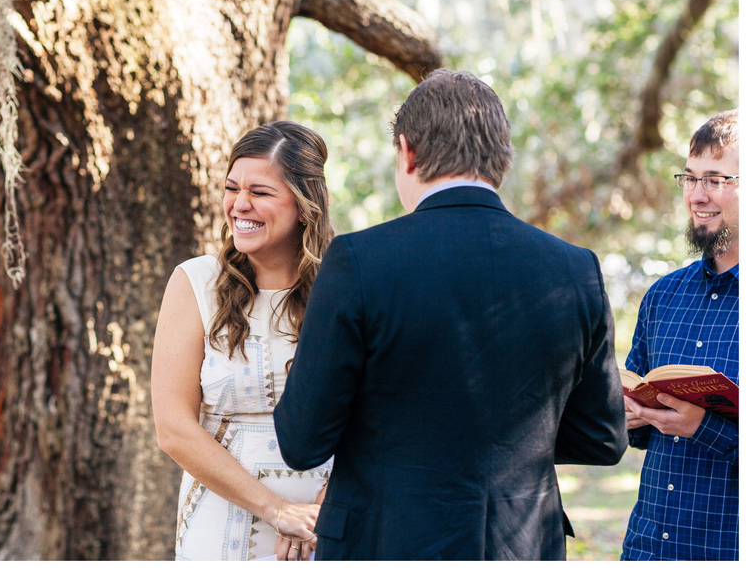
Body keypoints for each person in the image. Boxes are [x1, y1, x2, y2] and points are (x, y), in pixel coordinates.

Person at [274, 69, 628, 560]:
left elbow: (302, 441)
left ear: (408, 152)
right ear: (503, 157)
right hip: (519, 546)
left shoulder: (359, 261)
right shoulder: (574, 269)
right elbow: (603, 438)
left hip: (387, 541)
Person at [151, 121, 335, 561]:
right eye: (232, 188)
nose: (240, 204)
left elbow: (377, 418)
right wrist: (277, 511)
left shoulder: (346, 285)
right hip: (218, 522)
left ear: (305, 205)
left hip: (326, 524)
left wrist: (317, 515)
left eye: (261, 192)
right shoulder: (194, 282)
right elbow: (173, 428)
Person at [621, 110, 739, 561]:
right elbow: (635, 425)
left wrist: (702, 428)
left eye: (714, 179)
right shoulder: (662, 296)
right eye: (689, 179)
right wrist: (628, 415)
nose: (695, 195)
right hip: (648, 546)